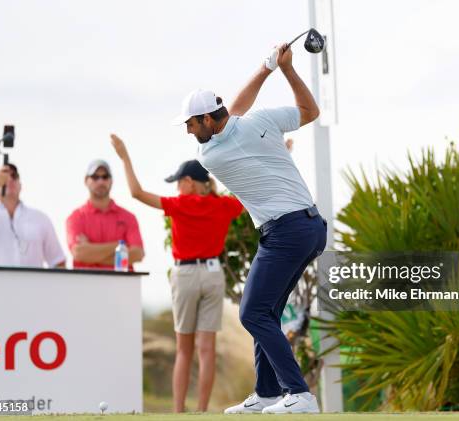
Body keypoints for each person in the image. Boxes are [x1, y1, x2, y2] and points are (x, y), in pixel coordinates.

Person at [172, 43, 326, 414]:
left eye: (191, 124)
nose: (189, 131)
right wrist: (279, 68)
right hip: (308, 227)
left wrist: (269, 68)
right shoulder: (257, 123)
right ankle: (269, 393)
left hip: (286, 232)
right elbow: (310, 111)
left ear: (208, 119)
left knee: (252, 313)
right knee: (264, 311)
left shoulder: (210, 153)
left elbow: (237, 111)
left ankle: (299, 394)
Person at [110, 134, 243, 413]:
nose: (177, 187)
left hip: (186, 276)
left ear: (189, 183)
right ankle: (202, 411)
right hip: (213, 274)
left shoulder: (180, 204)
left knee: (184, 349)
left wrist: (124, 157)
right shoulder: (223, 206)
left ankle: (179, 412)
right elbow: (245, 191)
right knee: (206, 350)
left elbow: (136, 193)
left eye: (179, 182)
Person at [0, 164, 66, 268]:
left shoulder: (40, 219)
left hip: (31, 284)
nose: (9, 179)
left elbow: (58, 261)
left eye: (14, 176)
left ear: (21, 185)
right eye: (3, 176)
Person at [66, 159, 144, 270]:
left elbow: (138, 254)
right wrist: (119, 246)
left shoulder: (128, 217)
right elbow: (79, 253)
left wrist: (91, 251)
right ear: (86, 180)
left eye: (105, 177)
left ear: (111, 180)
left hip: (121, 285)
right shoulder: (75, 218)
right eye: (95, 177)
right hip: (86, 284)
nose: (101, 181)